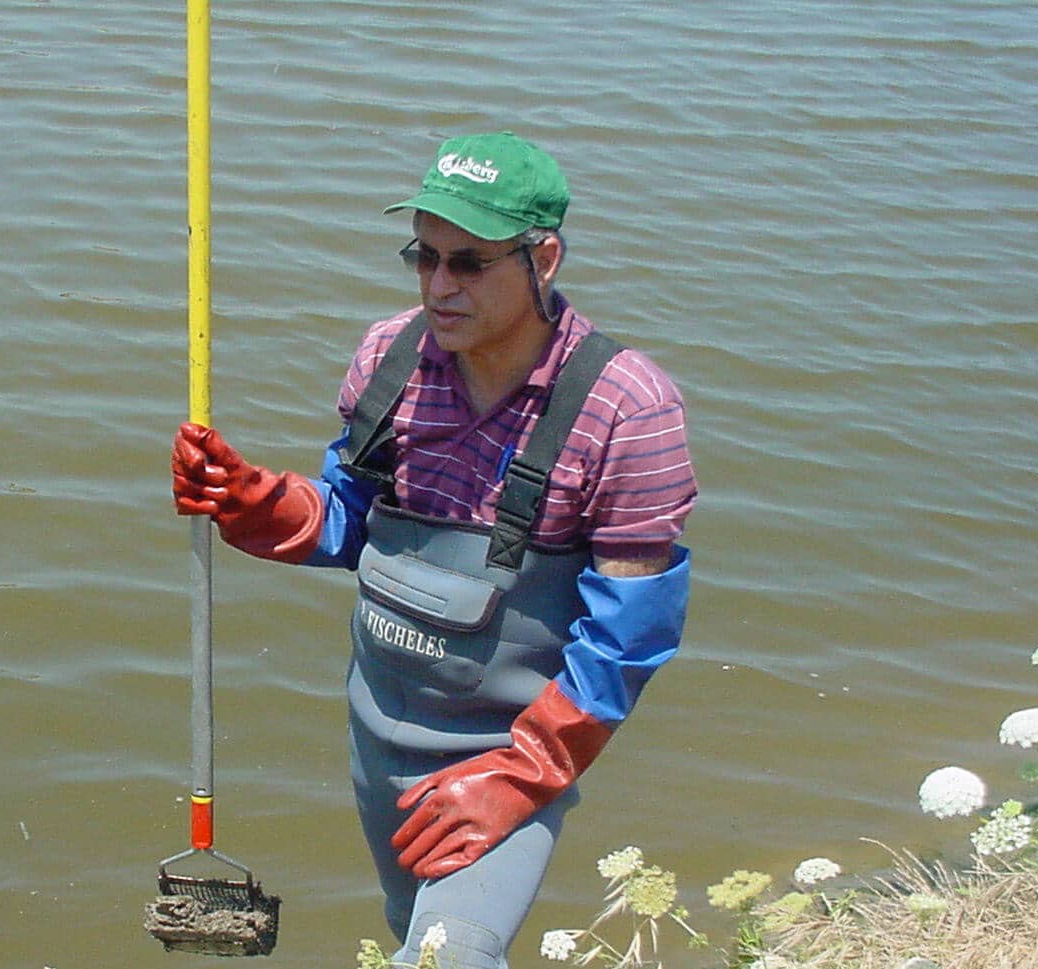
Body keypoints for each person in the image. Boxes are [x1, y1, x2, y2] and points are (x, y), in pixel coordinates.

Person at [171, 131, 696, 969]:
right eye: (424, 256)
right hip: (375, 743)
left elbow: (627, 641)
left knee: (450, 956)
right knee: (409, 931)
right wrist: (254, 502)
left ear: (544, 258)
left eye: (470, 262)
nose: (439, 285)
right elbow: (347, 520)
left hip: (504, 755)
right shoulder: (390, 357)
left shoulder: (627, 410)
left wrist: (523, 776)